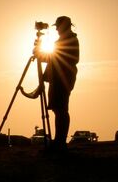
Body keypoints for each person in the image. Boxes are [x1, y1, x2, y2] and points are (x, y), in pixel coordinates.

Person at [33, 15, 80, 151]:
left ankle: (60, 141)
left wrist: (42, 55)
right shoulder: (64, 40)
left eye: (58, 27)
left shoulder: (70, 40)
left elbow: (65, 58)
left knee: (61, 110)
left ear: (63, 26)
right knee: (57, 109)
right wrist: (41, 55)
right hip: (57, 78)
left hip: (63, 79)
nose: (57, 30)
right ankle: (58, 140)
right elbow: (54, 58)